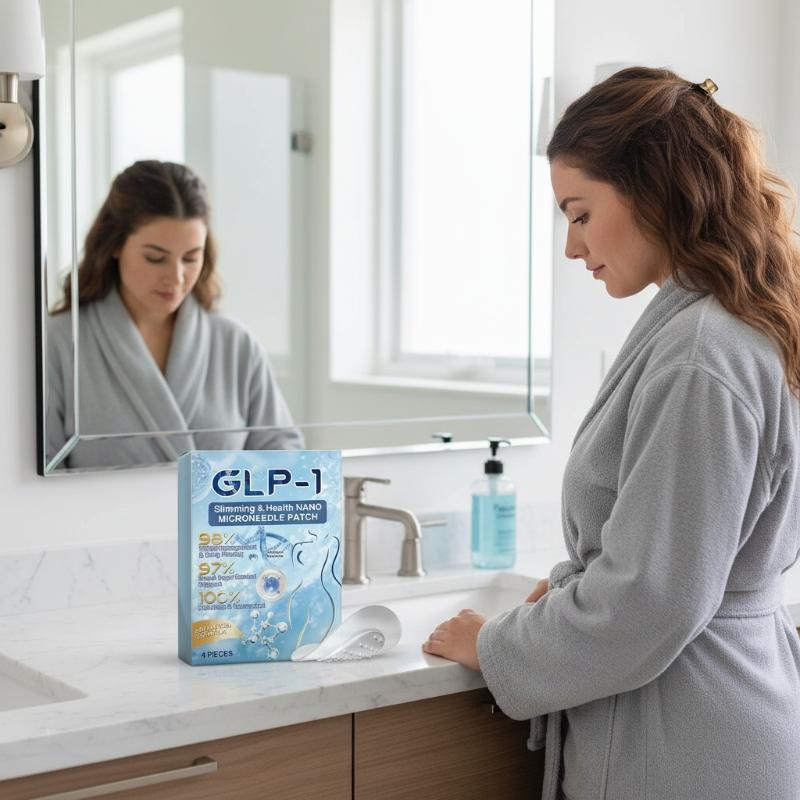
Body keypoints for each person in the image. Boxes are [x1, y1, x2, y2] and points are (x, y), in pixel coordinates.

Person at [422, 67, 800, 799]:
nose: (572, 247)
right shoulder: (747, 323)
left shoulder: (700, 354)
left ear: (652, 190)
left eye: (580, 213)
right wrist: (573, 594)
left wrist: (493, 642)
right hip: (730, 712)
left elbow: (649, 602)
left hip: (683, 742)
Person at [46, 160, 303, 469]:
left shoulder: (235, 343)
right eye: (156, 258)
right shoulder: (59, 342)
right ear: (114, 245)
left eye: (191, 258)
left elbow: (285, 459)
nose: (176, 277)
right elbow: (33, 475)